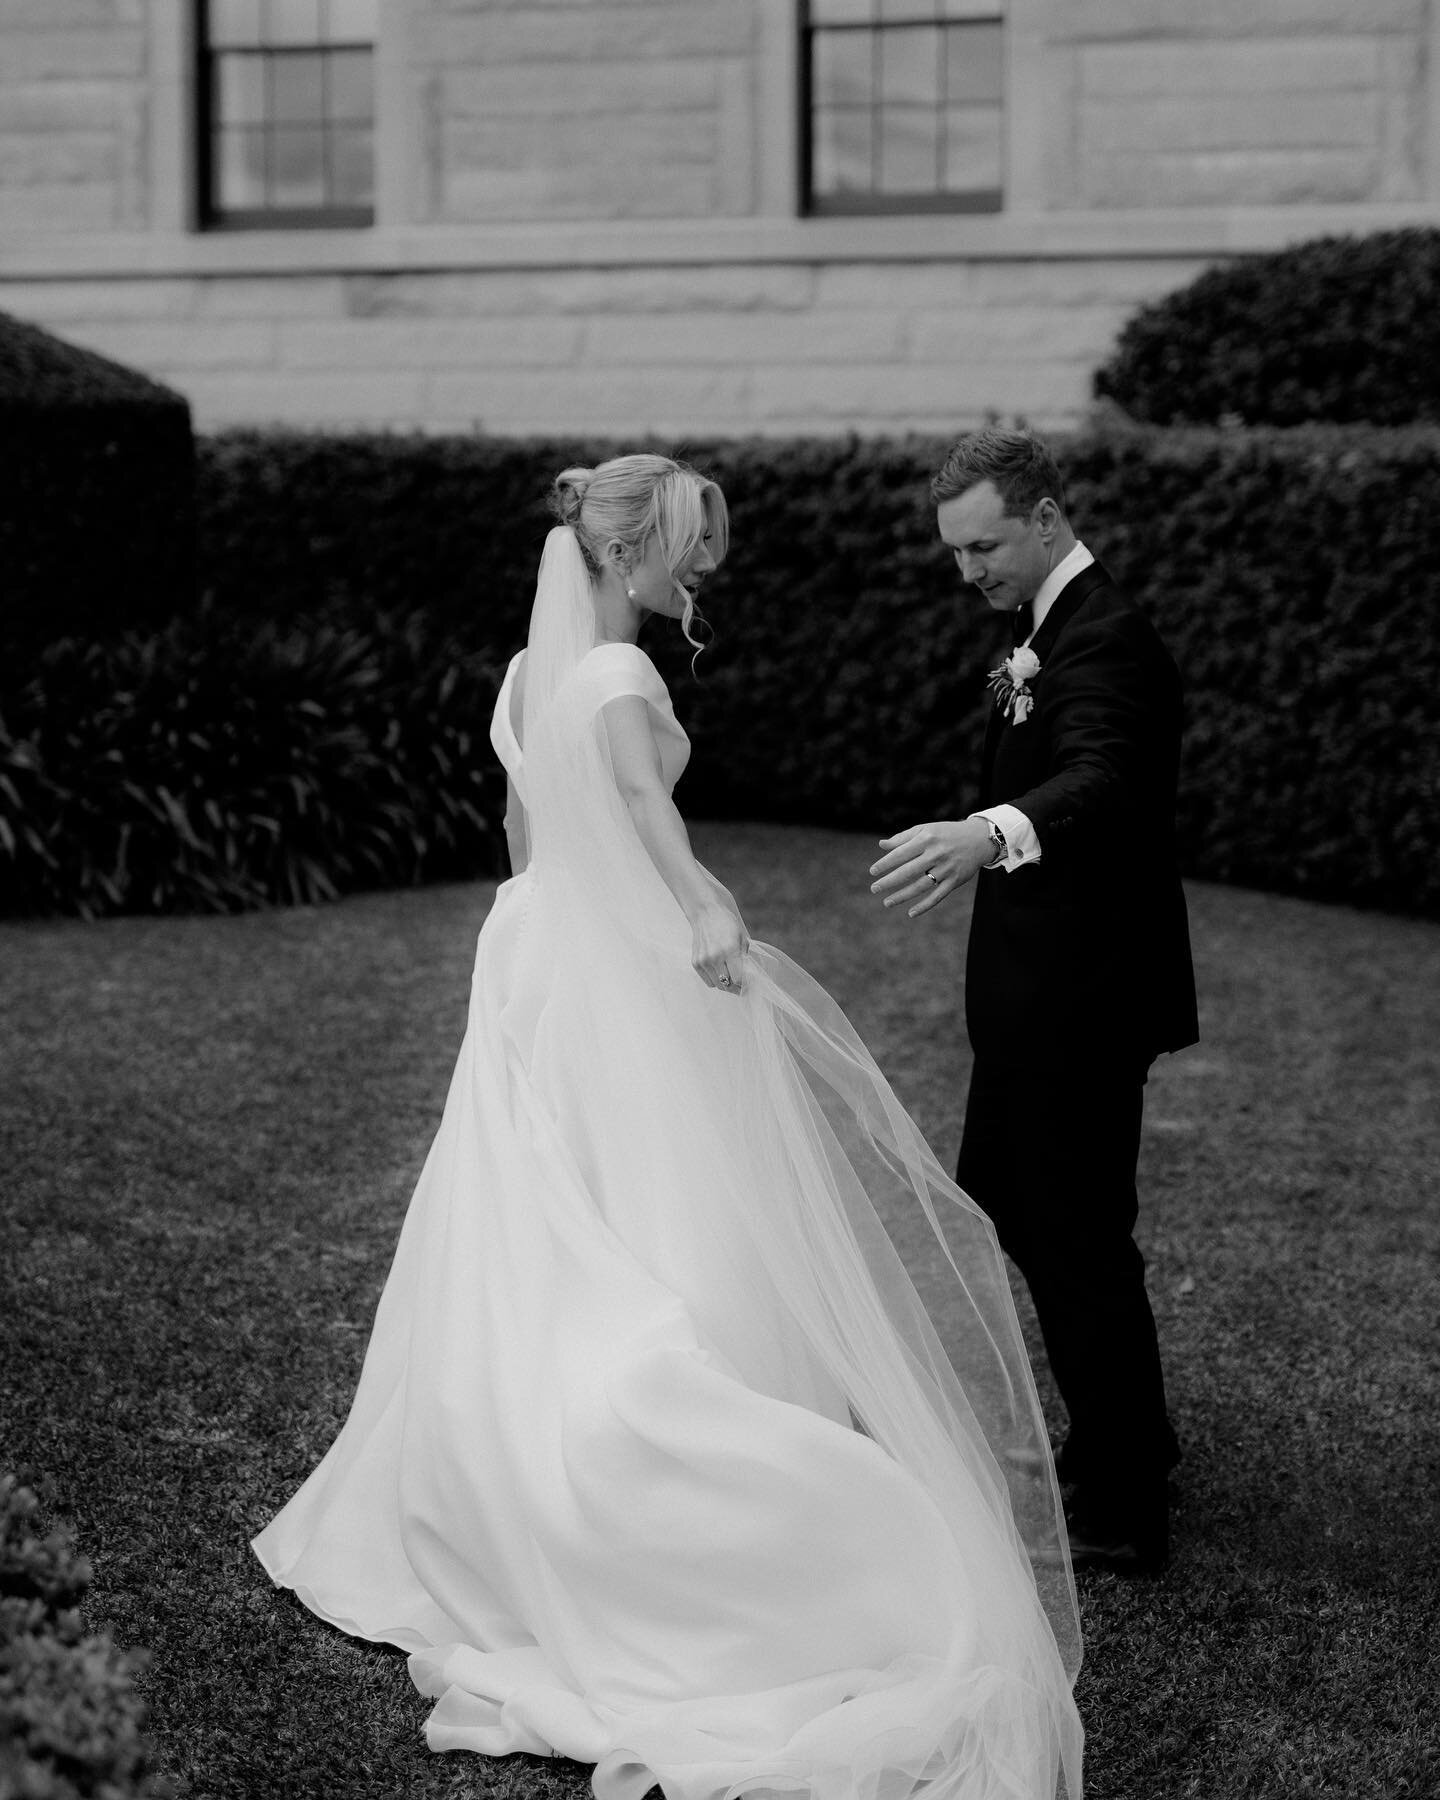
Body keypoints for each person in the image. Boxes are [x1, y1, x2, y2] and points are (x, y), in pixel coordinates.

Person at [253, 454, 1083, 1800]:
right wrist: (701, 912)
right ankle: (672, 1460)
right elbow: (645, 814)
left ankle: (495, 1456)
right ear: (629, 551)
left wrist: (573, 935)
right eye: (690, 548)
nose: (703, 570)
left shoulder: (528, 678)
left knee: (539, 1201)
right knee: (665, 1199)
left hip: (532, 956)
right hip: (624, 956)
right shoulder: (623, 678)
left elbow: (531, 839)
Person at [870, 427, 1198, 1577]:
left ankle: (1124, 1500)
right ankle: (1132, 1433)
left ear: (1049, 516)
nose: (973, 573)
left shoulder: (1106, 636)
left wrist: (986, 832)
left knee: (1078, 1237)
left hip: (1084, 996)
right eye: (956, 554)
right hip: (1034, 992)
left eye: (988, 546)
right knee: (1012, 1199)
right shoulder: (1039, 627)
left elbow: (1103, 776)